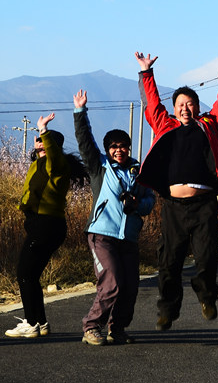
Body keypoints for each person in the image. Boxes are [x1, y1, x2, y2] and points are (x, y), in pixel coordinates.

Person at [135, 51, 218, 330]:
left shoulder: (210, 126)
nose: (185, 109)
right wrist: (146, 73)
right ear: (174, 108)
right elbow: (151, 102)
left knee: (207, 255)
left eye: (190, 104)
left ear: (196, 107)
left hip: (204, 203)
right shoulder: (164, 126)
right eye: (180, 104)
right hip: (173, 207)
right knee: (168, 260)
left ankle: (207, 296)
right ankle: (168, 309)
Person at [73, 89, 156, 346]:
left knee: (130, 288)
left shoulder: (138, 171)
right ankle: (91, 326)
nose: (119, 150)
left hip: (128, 237)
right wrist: (80, 112)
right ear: (108, 149)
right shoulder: (99, 167)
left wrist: (136, 204)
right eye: (114, 146)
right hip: (102, 235)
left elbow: (149, 202)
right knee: (112, 282)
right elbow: (85, 141)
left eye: (123, 146)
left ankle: (117, 329)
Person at [5, 114, 86, 339]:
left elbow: (52, 156)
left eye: (43, 140)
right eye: (38, 139)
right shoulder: (38, 165)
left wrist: (43, 130)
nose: (39, 142)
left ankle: (31, 323)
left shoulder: (57, 165)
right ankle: (39, 322)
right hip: (39, 224)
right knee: (30, 275)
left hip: (46, 224)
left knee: (24, 273)